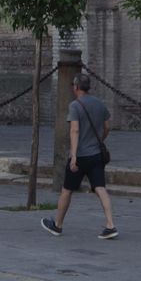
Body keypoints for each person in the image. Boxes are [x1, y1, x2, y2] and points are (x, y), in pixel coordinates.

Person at [43, 73, 118, 239]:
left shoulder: (75, 106)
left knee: (67, 190)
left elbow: (74, 130)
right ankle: (110, 224)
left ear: (76, 87)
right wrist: (100, 139)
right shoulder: (99, 104)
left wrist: (74, 155)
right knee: (100, 188)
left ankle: (57, 225)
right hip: (97, 154)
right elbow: (107, 127)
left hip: (81, 155)